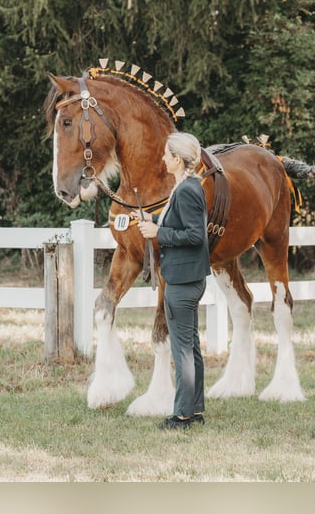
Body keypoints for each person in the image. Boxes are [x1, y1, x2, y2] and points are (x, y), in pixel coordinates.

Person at [132, 132, 211, 430]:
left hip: (182, 280)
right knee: (190, 345)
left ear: (178, 159)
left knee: (183, 349)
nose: (163, 158)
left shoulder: (187, 190)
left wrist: (158, 234)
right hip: (188, 277)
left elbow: (194, 235)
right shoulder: (187, 187)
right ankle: (195, 409)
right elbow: (179, 220)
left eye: (166, 154)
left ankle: (182, 415)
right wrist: (153, 220)